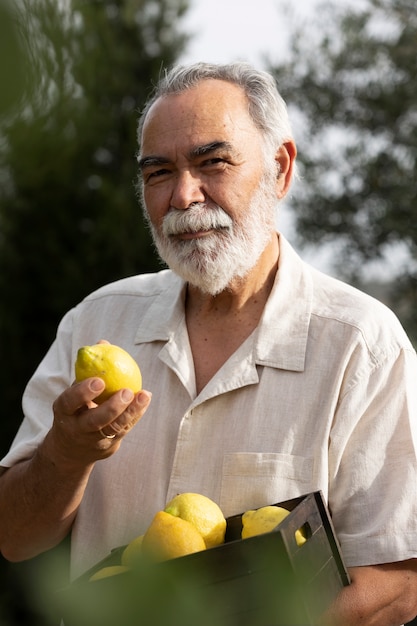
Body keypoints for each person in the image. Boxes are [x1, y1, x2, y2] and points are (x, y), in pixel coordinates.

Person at [1, 61, 417, 626]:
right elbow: (15, 536)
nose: (183, 196)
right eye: (158, 173)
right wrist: (66, 455)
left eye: (212, 162)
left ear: (280, 169)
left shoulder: (361, 346)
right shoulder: (96, 322)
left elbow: (396, 580)